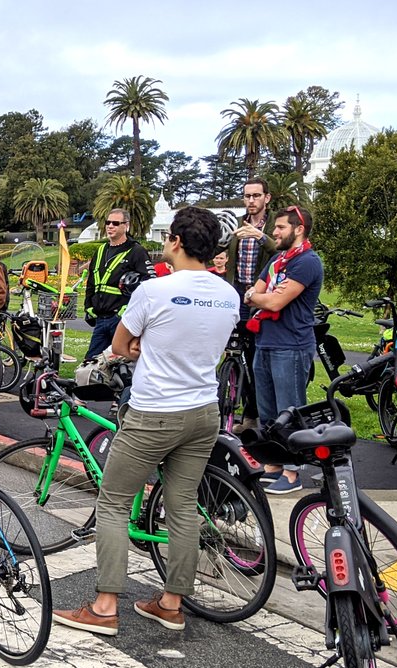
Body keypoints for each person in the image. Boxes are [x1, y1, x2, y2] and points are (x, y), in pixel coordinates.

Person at [52, 207, 238, 636]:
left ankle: (104, 607)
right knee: (183, 505)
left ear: (176, 241)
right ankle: (172, 603)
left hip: (155, 410)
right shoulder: (228, 294)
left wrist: (142, 345)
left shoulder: (155, 291)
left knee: (114, 501)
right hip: (203, 409)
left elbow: (120, 345)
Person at [245, 205, 323, 495]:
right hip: (265, 341)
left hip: (291, 345)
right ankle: (273, 465)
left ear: (299, 229)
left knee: (289, 410)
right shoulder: (277, 260)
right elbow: (254, 292)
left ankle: (293, 472)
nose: (274, 233)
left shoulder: (307, 262)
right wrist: (259, 295)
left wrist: (258, 296)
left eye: (280, 227)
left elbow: (275, 301)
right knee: (267, 412)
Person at [223, 178, 276, 433]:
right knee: (235, 354)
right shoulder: (237, 223)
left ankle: (256, 414)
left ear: (267, 197)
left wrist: (261, 236)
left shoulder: (275, 224)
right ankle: (244, 410)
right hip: (237, 295)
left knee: (257, 358)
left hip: (261, 297)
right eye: (247, 196)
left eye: (256, 195)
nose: (251, 200)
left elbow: (283, 252)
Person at [82, 208, 155, 360]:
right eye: (108, 222)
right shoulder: (100, 251)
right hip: (100, 319)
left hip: (121, 320)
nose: (110, 226)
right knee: (90, 363)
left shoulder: (136, 251)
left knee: (122, 363)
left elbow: (150, 283)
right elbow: (92, 281)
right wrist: (88, 305)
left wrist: (128, 308)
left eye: (115, 223)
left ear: (126, 226)